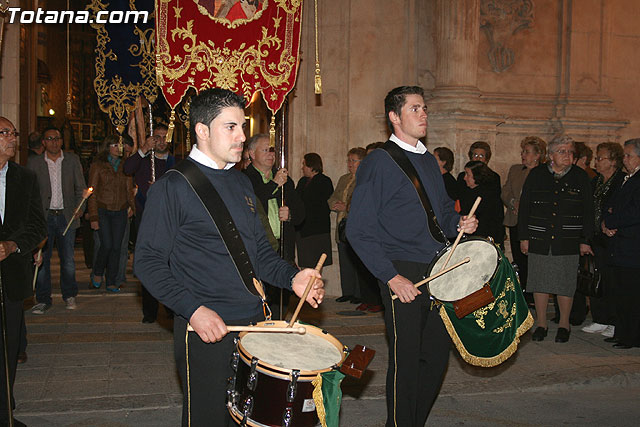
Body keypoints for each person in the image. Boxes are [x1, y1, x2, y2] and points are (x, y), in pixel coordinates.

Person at [134, 88, 324, 426]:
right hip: (206, 330)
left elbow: (260, 255)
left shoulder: (241, 184)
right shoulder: (173, 186)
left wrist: (293, 277)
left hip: (254, 326)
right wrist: (192, 310)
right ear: (202, 131)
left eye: (243, 126)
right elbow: (147, 262)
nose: (242, 137)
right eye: (231, 127)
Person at [346, 86, 477, 426]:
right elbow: (357, 229)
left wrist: (459, 221)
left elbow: (443, 212)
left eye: (424, 108)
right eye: (415, 108)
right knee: (406, 360)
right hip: (401, 269)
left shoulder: (429, 161)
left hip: (438, 267)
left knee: (435, 358)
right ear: (394, 117)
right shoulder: (379, 162)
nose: (424, 114)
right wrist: (390, 277)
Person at [519, 135, 594, 343]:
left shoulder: (580, 176)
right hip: (539, 238)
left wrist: (585, 239)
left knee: (565, 283)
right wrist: (524, 237)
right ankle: (541, 323)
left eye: (570, 152)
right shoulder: (537, 175)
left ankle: (564, 324)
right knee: (539, 282)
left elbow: (589, 211)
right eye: (562, 151)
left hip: (567, 239)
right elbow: (525, 208)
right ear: (551, 155)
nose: (568, 155)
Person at [0, 116, 47, 426]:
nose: (12, 139)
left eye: (13, 134)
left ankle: (6, 412)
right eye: (5, 133)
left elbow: (37, 225)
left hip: (11, 277)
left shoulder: (25, 178)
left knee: (8, 348)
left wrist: (13, 245)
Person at [244, 133, 305, 318]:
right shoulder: (244, 179)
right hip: (258, 247)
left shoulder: (285, 179)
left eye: (272, 150)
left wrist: (290, 215)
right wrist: (273, 184)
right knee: (258, 296)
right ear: (252, 154)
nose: (271, 154)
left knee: (281, 296)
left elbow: (301, 213)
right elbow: (251, 204)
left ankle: (277, 326)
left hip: (282, 246)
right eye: (265, 150)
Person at [27, 126, 86, 313]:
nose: (54, 142)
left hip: (65, 215)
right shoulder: (34, 163)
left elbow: (80, 188)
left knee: (67, 259)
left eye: (57, 138)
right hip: (44, 218)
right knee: (41, 259)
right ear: (43, 142)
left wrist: (80, 208)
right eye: (50, 138)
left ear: (62, 141)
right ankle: (44, 299)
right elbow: (29, 193)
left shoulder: (72, 160)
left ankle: (69, 295)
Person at [124, 124, 175, 322]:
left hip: (170, 222)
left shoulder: (175, 162)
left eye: (165, 137)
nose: (161, 141)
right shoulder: (145, 161)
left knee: (171, 267)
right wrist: (144, 149)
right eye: (158, 137)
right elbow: (127, 169)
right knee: (149, 265)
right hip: (146, 220)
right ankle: (150, 311)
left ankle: (171, 307)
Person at [329, 147, 383, 311]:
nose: (349, 164)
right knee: (345, 259)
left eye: (353, 161)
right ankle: (349, 292)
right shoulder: (344, 178)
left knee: (360, 263)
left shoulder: (365, 178)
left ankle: (363, 295)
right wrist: (335, 204)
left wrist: (347, 207)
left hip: (358, 224)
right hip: (342, 223)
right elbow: (333, 196)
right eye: (349, 160)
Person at [581, 142, 624, 338]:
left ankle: (614, 320)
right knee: (594, 276)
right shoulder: (594, 182)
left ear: (613, 161)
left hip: (613, 239)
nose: (596, 162)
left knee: (612, 281)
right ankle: (599, 318)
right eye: (596, 158)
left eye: (601, 158)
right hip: (596, 237)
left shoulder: (621, 182)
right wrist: (586, 238)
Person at [601, 138, 640, 349]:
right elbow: (609, 205)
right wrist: (605, 224)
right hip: (619, 244)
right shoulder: (624, 178)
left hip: (633, 246)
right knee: (620, 292)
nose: (624, 159)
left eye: (628, 155)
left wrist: (613, 220)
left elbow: (635, 212)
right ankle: (622, 331)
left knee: (632, 294)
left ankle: (632, 336)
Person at [88, 136, 135, 293]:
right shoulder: (98, 166)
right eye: (114, 144)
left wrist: (134, 208)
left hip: (120, 210)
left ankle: (112, 280)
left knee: (117, 247)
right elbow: (92, 193)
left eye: (119, 145)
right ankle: (97, 272)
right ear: (107, 146)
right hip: (103, 209)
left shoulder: (125, 166)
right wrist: (93, 216)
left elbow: (129, 191)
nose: (117, 148)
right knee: (106, 244)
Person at [501, 136, 546, 294]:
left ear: (538, 155)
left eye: (527, 152)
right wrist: (513, 202)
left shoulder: (544, 173)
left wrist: (527, 207)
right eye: (523, 151)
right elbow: (505, 191)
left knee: (533, 261)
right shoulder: (515, 170)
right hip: (516, 221)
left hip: (534, 224)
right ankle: (524, 292)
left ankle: (535, 292)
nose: (523, 155)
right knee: (519, 259)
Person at [295, 153, 334, 268]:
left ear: (312, 166)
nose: (302, 167)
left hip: (317, 231)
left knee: (316, 266)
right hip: (303, 230)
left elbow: (320, 205)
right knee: (305, 265)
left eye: (304, 164)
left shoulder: (324, 181)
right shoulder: (303, 181)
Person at [460, 160, 505, 246]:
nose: (464, 178)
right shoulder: (467, 192)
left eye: (467, 174)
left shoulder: (488, 195)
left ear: (476, 176)